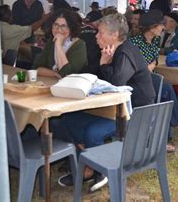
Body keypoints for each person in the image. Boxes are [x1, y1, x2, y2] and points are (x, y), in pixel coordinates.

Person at [57, 13, 155, 190]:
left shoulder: (125, 52)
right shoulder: (107, 50)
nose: (96, 36)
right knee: (68, 120)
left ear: (115, 34)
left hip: (135, 114)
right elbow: (88, 72)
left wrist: (104, 64)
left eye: (100, 32)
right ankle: (90, 165)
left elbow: (117, 82)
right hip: (111, 109)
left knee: (93, 133)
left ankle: (98, 171)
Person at [129, 11, 178, 145]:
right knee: (166, 87)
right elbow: (132, 67)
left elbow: (155, 59)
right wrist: (146, 68)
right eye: (161, 25)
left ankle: (169, 134)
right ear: (152, 27)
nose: (163, 28)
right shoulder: (134, 42)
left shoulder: (156, 39)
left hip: (149, 78)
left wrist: (151, 65)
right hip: (137, 82)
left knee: (165, 89)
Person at [33, 9, 87, 78]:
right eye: (56, 25)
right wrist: (54, 74)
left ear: (71, 28)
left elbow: (66, 75)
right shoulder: (51, 42)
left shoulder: (80, 45)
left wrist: (58, 45)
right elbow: (36, 68)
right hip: (52, 83)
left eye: (63, 26)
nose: (59, 29)